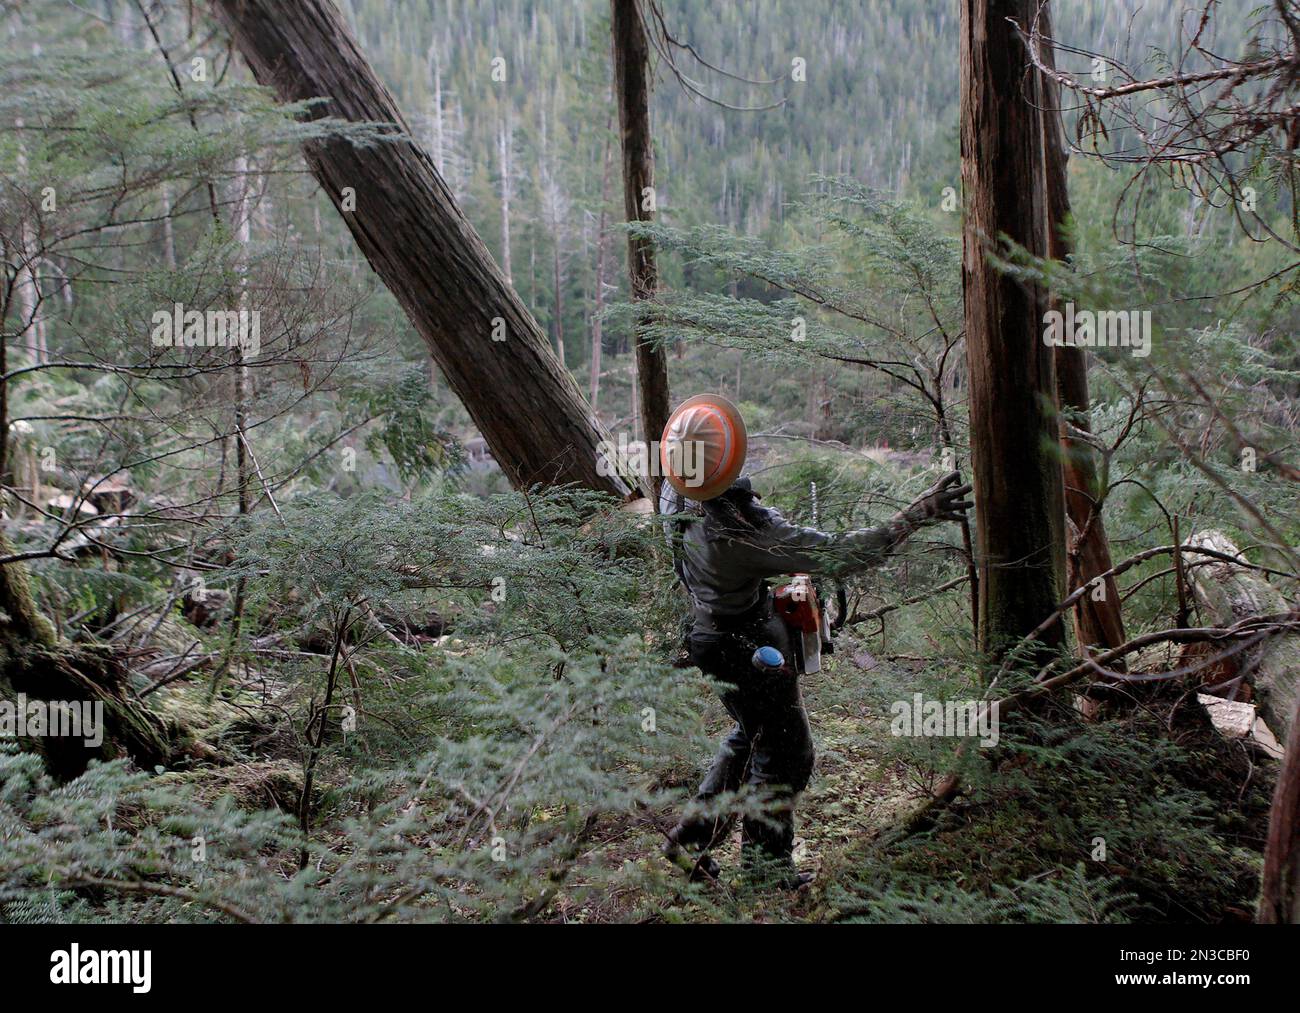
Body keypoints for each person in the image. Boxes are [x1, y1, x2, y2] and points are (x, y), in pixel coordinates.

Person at [658, 393, 972, 888]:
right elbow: (840, 554)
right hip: (744, 645)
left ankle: (691, 841)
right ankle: (765, 874)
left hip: (709, 636)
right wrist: (918, 512)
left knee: (751, 734)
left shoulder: (673, 491)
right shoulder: (745, 534)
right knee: (787, 752)